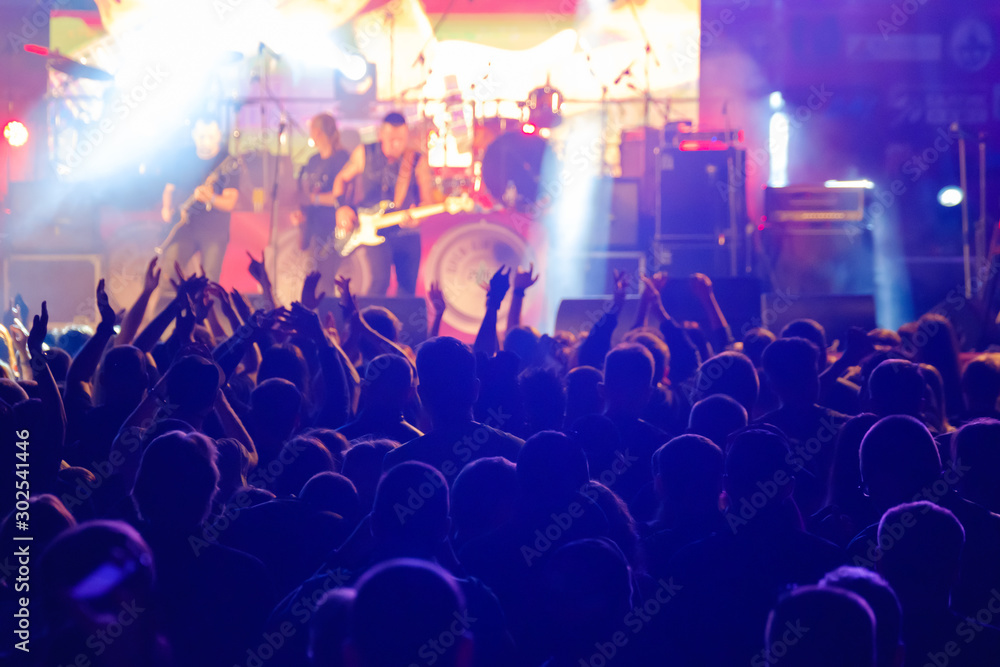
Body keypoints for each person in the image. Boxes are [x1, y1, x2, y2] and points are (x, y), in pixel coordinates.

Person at [332, 112, 439, 297]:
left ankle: (402, 325)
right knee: (379, 282)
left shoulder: (416, 160)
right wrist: (342, 207)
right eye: (391, 139)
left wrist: (419, 218)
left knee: (407, 289)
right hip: (373, 230)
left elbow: (427, 201)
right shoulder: (364, 153)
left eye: (401, 139)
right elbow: (341, 179)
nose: (396, 144)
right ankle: (372, 323)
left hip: (406, 233)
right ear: (381, 134)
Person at [158, 117, 240, 290]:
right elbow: (169, 189)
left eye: (211, 136)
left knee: (209, 284)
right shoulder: (182, 157)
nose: (206, 141)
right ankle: (167, 314)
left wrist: (210, 198)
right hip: (183, 228)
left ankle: (205, 316)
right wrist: (166, 208)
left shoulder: (228, 162)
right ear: (194, 135)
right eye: (202, 136)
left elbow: (230, 202)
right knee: (170, 277)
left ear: (219, 136)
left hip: (214, 231)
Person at [291, 113, 352, 285]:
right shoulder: (312, 161)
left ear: (317, 132)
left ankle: (326, 311)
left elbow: (341, 197)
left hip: (333, 229)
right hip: (313, 228)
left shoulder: (342, 159)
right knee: (313, 280)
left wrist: (314, 199)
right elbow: (306, 193)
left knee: (325, 280)